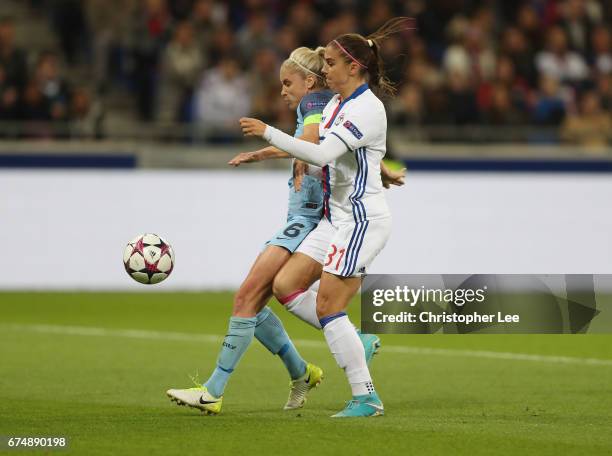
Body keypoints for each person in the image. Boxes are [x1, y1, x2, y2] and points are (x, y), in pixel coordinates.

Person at [240, 17, 414, 417]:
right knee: (285, 285)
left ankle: (366, 396)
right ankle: (358, 339)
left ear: (354, 67)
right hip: (334, 219)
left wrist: (267, 132)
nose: (325, 70)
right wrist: (380, 167)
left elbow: (319, 154)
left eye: (331, 63)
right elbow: (329, 148)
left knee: (328, 306)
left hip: (360, 221)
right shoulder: (337, 104)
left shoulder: (368, 108)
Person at [167, 46, 338, 414]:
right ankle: (301, 372)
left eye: (287, 82)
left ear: (308, 81)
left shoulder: (314, 102)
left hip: (306, 220)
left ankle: (213, 391)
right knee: (254, 303)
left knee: (247, 296)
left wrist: (266, 136)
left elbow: (308, 145)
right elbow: (309, 149)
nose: (282, 91)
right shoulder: (324, 103)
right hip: (303, 218)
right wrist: (263, 154)